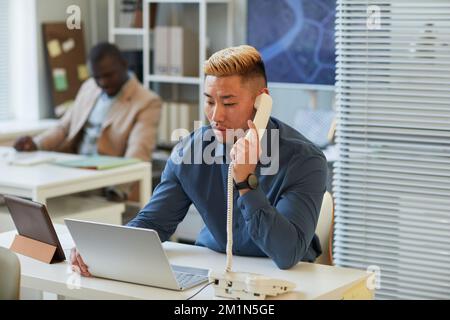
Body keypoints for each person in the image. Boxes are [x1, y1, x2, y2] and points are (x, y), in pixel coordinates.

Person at [71, 45, 327, 276]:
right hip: (214, 272)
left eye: (229, 103)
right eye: (209, 101)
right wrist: (101, 249)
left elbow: (286, 254)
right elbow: (153, 223)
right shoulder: (191, 151)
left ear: (261, 101)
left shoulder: (305, 160)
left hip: (287, 281)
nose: (216, 116)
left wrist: (247, 182)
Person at [14, 42, 161, 201]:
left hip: (106, 180)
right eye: (97, 77)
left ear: (124, 65)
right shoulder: (89, 88)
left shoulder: (147, 101)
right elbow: (64, 127)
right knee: (20, 196)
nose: (103, 82)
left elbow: (138, 150)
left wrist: (118, 189)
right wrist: (36, 144)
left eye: (109, 75)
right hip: (73, 170)